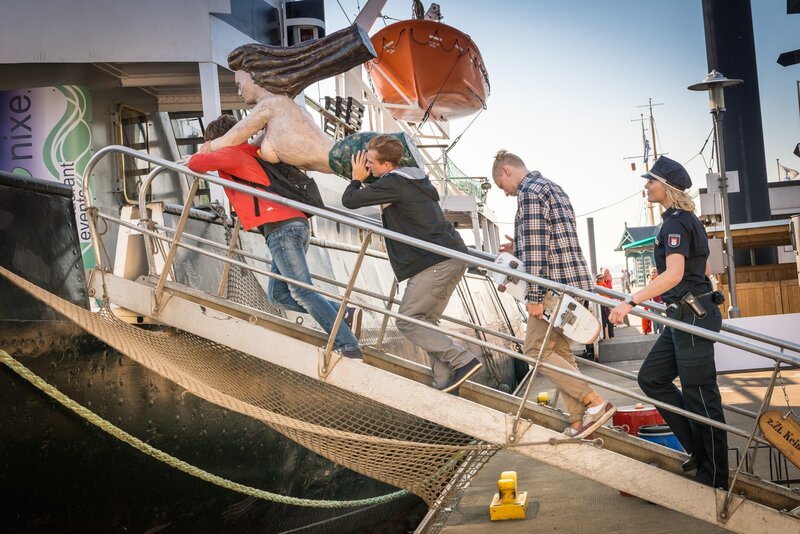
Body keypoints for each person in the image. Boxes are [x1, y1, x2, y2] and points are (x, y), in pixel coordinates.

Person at [187, 114, 363, 358]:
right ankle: (341, 313)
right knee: (278, 295)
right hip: (292, 225)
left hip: (281, 228)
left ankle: (348, 345)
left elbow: (196, 164)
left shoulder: (233, 153)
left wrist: (208, 148)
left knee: (302, 292)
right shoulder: (252, 151)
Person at [609, 156, 728, 490]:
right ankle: (698, 451)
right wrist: (670, 282)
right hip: (684, 315)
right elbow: (699, 269)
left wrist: (631, 300)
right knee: (652, 378)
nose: (646, 186)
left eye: (651, 181)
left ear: (667, 187)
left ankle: (714, 475)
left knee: (700, 396)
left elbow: (676, 273)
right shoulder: (683, 221)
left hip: (692, 316)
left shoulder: (676, 222)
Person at [341, 135, 482, 393]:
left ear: (386, 165)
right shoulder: (412, 180)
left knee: (407, 321)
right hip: (450, 256)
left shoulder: (393, 183)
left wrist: (356, 178)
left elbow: (350, 201)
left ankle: (462, 360)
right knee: (424, 320)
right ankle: (447, 380)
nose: (367, 166)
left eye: (370, 162)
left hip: (435, 260)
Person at [492, 150, 615, 438]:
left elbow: (537, 252)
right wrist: (516, 249)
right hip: (571, 284)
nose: (506, 193)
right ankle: (580, 421)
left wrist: (533, 297)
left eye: (501, 185)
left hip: (552, 290)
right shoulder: (551, 187)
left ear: (508, 171)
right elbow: (550, 241)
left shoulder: (529, 193)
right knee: (560, 354)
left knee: (534, 350)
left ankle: (595, 402)